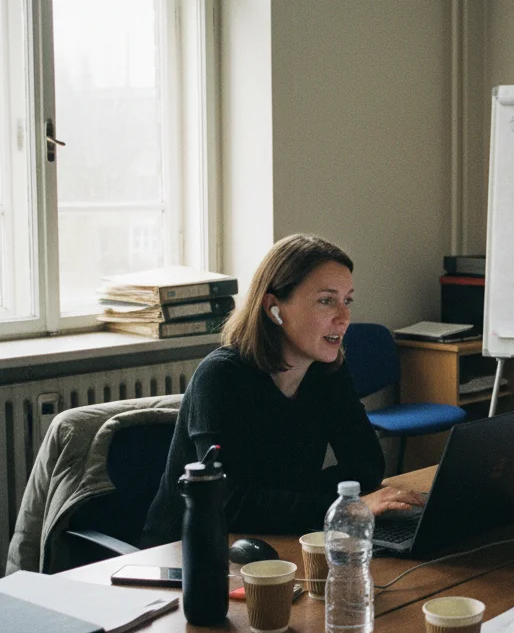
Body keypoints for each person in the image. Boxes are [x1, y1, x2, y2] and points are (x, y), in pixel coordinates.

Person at [142, 234, 422, 545]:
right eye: (326, 300)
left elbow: (367, 465)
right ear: (274, 308)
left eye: (347, 300)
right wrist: (345, 505)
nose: (344, 318)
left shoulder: (327, 370)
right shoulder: (221, 376)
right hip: (187, 552)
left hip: (283, 537)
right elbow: (229, 503)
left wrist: (313, 501)